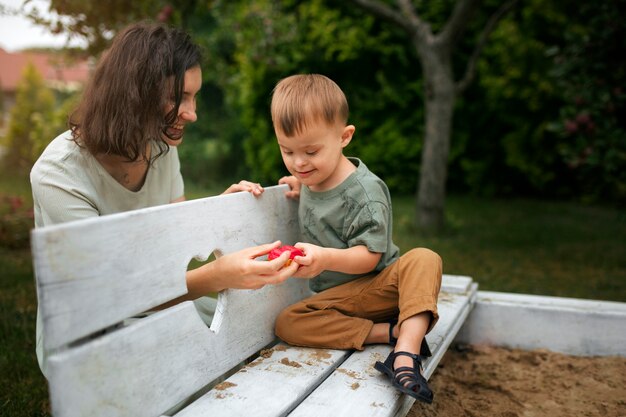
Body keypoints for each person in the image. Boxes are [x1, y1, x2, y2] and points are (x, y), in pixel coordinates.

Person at [30, 22, 299, 377]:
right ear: (133, 94)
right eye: (178, 98)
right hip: (93, 327)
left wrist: (217, 214)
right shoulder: (58, 174)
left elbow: (173, 247)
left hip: (157, 302)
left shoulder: (159, 146)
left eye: (194, 96)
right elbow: (112, 294)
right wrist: (217, 276)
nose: (192, 113)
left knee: (264, 332)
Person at [271, 74, 442, 404]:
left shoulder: (364, 193)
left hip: (379, 287)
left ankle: (405, 355)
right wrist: (297, 181)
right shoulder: (310, 177)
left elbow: (370, 257)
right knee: (288, 323)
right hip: (340, 300)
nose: (299, 162)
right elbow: (307, 177)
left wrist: (324, 258)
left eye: (311, 150)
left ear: (344, 137)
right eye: (287, 151)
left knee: (425, 257)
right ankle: (390, 332)